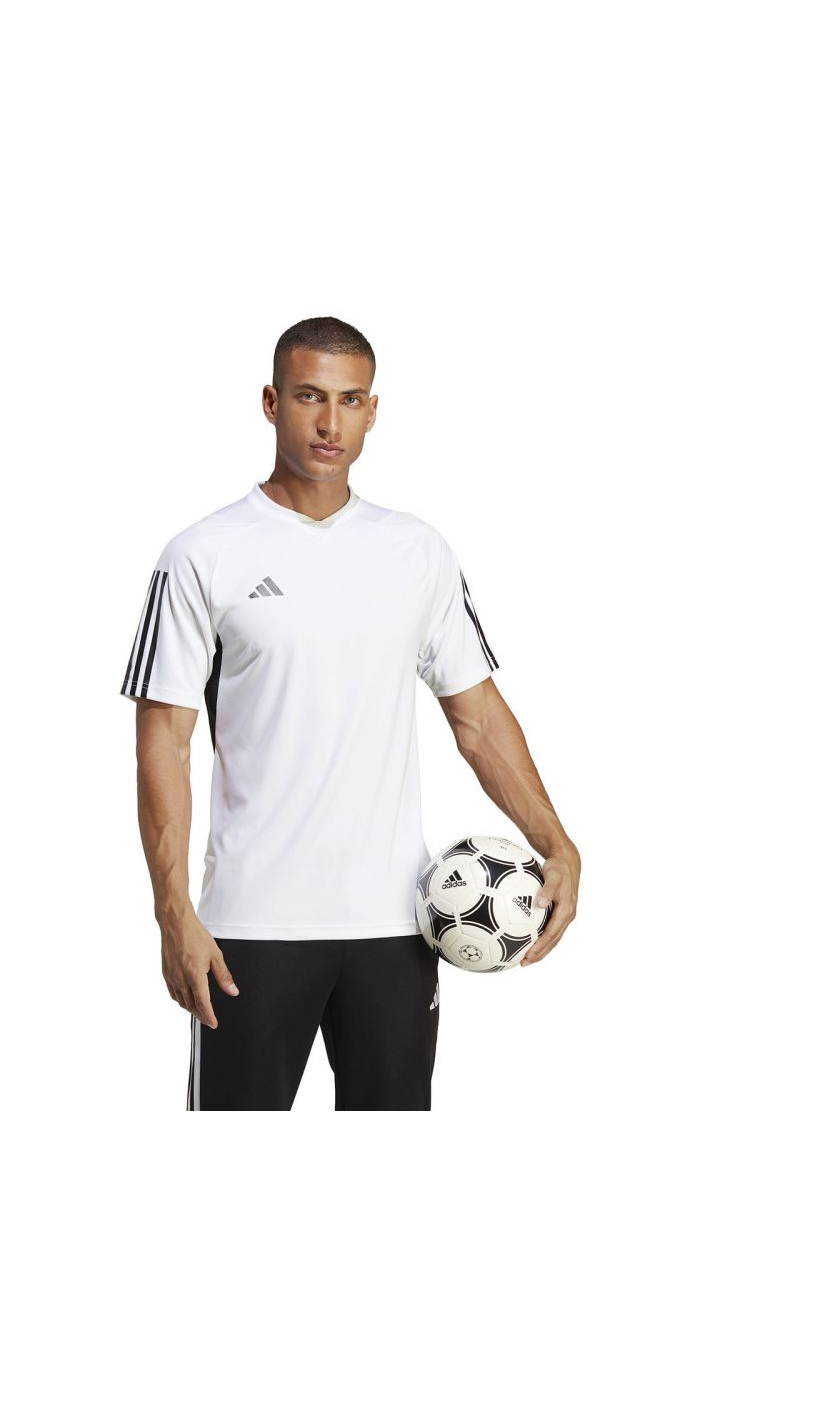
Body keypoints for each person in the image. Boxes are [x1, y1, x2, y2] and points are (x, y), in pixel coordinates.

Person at [119, 316, 581, 1111]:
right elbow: (164, 743)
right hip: (251, 929)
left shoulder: (417, 551)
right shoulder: (202, 554)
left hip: (399, 925)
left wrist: (557, 842)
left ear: (372, 410)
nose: (330, 422)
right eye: (309, 397)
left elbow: (477, 718)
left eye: (350, 399)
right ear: (272, 403)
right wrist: (173, 913)